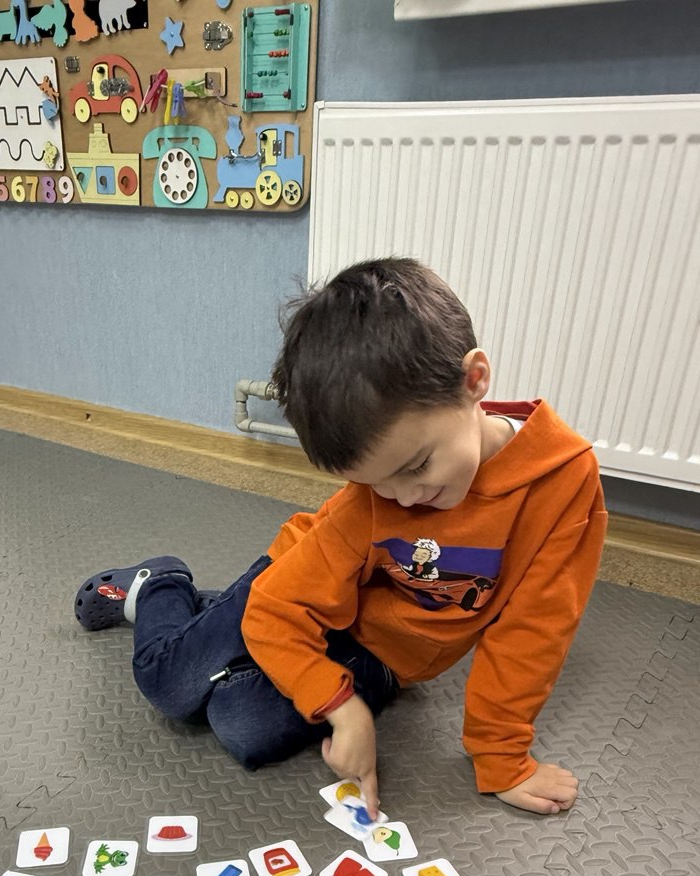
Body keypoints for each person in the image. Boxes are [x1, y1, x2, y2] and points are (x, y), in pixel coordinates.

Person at [74, 258, 607, 818]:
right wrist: (345, 711)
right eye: (375, 483)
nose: (403, 500)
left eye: (416, 466)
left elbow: (533, 632)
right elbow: (277, 610)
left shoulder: (564, 482)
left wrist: (501, 757)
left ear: (474, 381)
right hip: (300, 590)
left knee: (242, 724)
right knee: (169, 683)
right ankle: (160, 585)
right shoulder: (372, 499)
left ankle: (215, 613)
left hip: (385, 657)